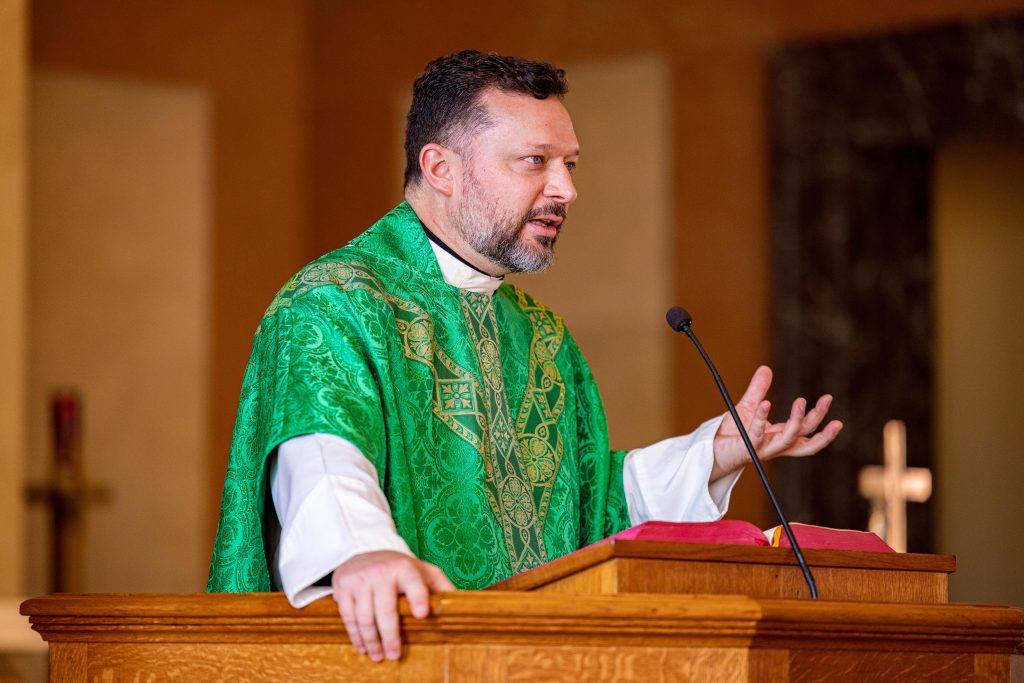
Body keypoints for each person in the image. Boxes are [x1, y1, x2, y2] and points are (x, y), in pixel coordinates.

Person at [207, 50, 842, 663]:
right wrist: (361, 552)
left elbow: (579, 507)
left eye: (569, 163)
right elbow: (320, 451)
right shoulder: (338, 303)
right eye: (534, 162)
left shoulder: (540, 337)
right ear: (441, 168)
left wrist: (710, 454)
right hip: (399, 656)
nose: (565, 189)